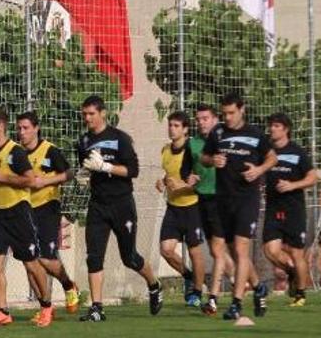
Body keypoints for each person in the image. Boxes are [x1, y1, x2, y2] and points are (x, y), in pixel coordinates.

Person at [76, 95, 162, 322]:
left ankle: (154, 285)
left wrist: (106, 166)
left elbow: (133, 171)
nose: (87, 118)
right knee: (94, 256)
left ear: (102, 113)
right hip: (97, 205)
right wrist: (83, 175)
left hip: (122, 203)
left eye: (91, 114)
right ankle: (97, 307)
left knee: (129, 257)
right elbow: (85, 168)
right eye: (84, 114)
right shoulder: (84, 141)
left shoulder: (120, 138)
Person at [201, 92, 277, 320]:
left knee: (242, 250)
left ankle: (236, 303)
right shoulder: (218, 132)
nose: (228, 117)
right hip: (224, 200)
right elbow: (205, 157)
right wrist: (212, 161)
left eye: (232, 113)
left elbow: (272, 158)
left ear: (242, 109)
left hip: (247, 200)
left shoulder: (255, 134)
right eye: (224, 114)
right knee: (232, 250)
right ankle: (258, 286)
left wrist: (258, 170)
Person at [0, 108, 53, 328]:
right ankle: (3, 311)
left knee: (31, 265)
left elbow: (30, 180)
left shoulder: (16, 152)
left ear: (0, 126)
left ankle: (46, 305)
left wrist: (4, 177)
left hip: (18, 212)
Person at [15, 111, 80, 318]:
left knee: (44, 258)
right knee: (29, 261)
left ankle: (68, 285)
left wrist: (46, 181)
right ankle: (45, 307)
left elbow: (69, 173)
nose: (21, 132)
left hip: (47, 207)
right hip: (24, 209)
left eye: (25, 128)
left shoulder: (49, 151)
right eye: (19, 128)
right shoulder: (16, 153)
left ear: (36, 128)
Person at [262, 112, 317, 307]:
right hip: (273, 208)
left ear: (286, 129)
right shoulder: (266, 152)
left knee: (296, 253)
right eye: (271, 126)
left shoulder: (297, 152)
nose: (272, 129)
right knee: (269, 250)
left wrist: (293, 185)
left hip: (294, 209)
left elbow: (313, 177)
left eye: (276, 126)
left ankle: (300, 295)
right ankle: (293, 273)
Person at [186, 103, 236, 315]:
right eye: (198, 119)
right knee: (222, 251)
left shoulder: (227, 140)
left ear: (216, 119)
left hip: (223, 200)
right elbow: (186, 170)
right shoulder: (193, 144)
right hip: (201, 200)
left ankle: (213, 298)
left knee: (218, 250)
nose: (201, 122)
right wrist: (188, 178)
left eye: (205, 118)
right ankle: (246, 281)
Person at [155, 111, 205, 308]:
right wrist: (161, 183)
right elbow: (168, 176)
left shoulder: (193, 151)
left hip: (192, 207)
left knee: (195, 253)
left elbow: (201, 181)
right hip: (173, 209)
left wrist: (183, 186)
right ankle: (189, 276)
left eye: (176, 126)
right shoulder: (165, 150)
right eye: (170, 125)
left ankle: (198, 293)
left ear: (185, 129)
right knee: (166, 250)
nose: (171, 129)